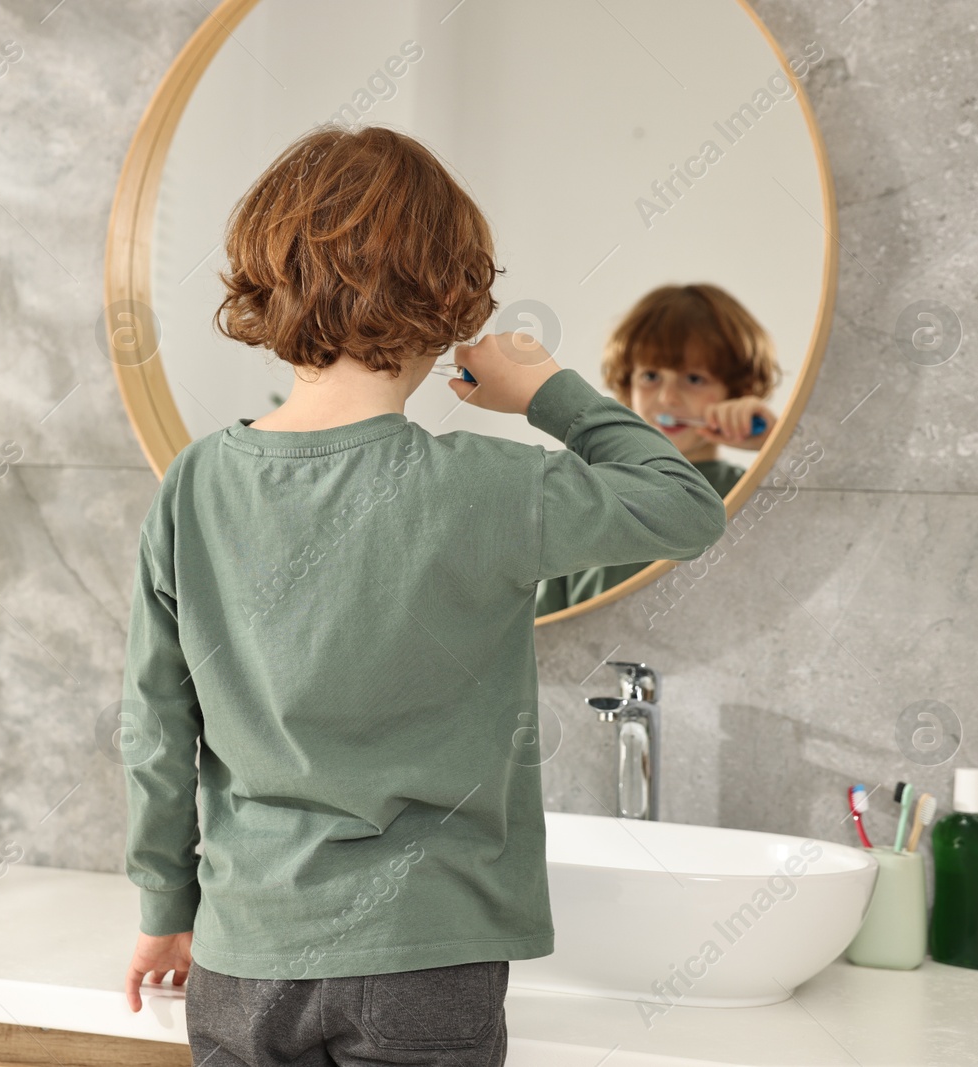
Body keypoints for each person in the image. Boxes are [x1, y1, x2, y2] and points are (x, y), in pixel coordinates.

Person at [118, 123, 727, 1067]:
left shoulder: (193, 485)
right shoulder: (484, 486)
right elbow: (684, 504)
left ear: (264, 281)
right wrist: (549, 392)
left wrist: (165, 908)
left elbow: (156, 730)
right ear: (451, 300)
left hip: (245, 959)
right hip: (426, 954)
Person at [535, 284, 781, 617]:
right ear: (627, 385)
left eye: (693, 379)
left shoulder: (755, 497)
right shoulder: (586, 495)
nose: (666, 398)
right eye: (650, 376)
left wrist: (775, 446)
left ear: (736, 390)